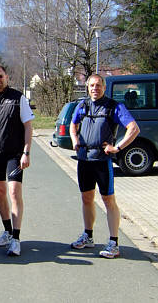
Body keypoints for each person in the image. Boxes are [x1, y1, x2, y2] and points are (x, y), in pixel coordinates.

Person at [69, 74, 140, 259]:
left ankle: (114, 243)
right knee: (86, 198)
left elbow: (133, 128)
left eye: (98, 85)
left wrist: (117, 148)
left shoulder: (114, 107)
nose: (95, 88)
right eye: (92, 85)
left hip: (102, 161)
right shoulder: (82, 106)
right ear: (87, 87)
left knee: (108, 200)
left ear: (104, 87)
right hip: (84, 161)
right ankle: (88, 236)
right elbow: (72, 124)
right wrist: (75, 139)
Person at [0, 64, 34, 256]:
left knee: (13, 192)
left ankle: (16, 239)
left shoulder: (19, 98)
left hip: (15, 154)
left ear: (7, 77)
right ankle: (7, 232)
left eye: (0, 76)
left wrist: (26, 152)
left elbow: (28, 126)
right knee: (0, 191)